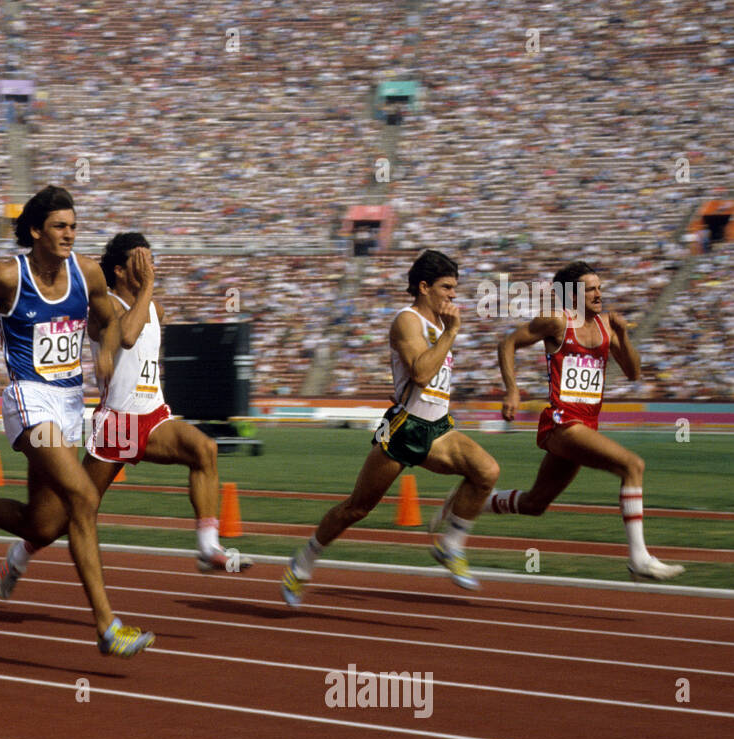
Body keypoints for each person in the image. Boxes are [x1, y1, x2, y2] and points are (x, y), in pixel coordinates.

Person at [0, 186, 155, 657]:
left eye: (74, 227)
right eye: (60, 226)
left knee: (43, 526)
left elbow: (114, 330)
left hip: (68, 404)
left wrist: (103, 345)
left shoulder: (87, 273)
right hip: (28, 398)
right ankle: (107, 626)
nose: (69, 235)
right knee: (83, 495)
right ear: (37, 230)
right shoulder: (4, 275)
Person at [0, 231, 252, 598]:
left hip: (154, 416)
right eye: (141, 260)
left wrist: (147, 293)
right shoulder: (106, 307)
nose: (150, 266)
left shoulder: (155, 309)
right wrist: (147, 289)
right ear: (119, 270)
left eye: (151, 258)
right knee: (70, 514)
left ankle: (207, 547)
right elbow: (127, 336)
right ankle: (18, 557)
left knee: (204, 450)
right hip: (119, 425)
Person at [281, 249, 499, 605]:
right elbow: (422, 373)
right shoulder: (407, 321)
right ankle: (302, 563)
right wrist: (453, 332)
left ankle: (451, 546)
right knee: (357, 508)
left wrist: (447, 333)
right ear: (424, 287)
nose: (454, 295)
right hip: (404, 428)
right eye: (447, 287)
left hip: (437, 427)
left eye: (455, 288)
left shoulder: (438, 326)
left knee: (487, 471)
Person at [478, 261, 683, 581]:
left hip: (586, 425)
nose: (599, 294)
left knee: (535, 503)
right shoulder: (557, 322)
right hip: (562, 422)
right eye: (591, 289)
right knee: (632, 465)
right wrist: (512, 391)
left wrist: (624, 335)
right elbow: (507, 343)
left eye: (600, 287)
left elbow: (634, 373)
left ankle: (471, 501)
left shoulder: (605, 327)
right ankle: (639, 558)